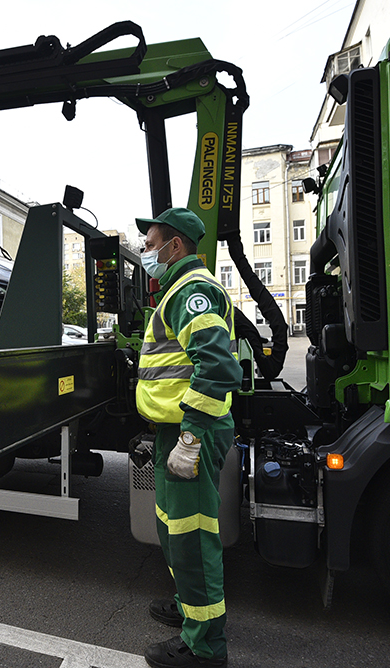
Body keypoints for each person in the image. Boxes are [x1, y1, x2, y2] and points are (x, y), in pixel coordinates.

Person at [134, 207, 242, 668]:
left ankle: (204, 647)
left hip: (190, 432)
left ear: (174, 246)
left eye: (150, 243)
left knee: (192, 537)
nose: (145, 252)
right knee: (171, 528)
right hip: (173, 431)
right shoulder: (176, 290)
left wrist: (192, 437)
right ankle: (187, 605)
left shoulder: (192, 290)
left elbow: (217, 366)